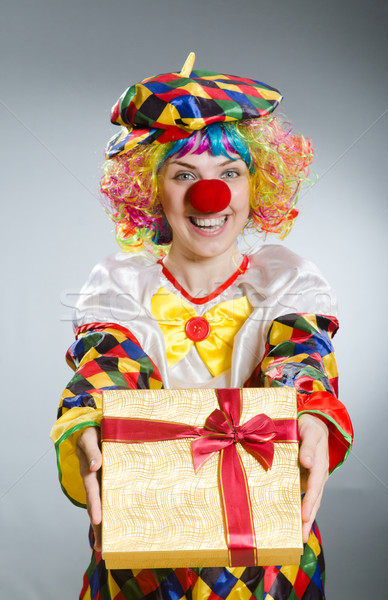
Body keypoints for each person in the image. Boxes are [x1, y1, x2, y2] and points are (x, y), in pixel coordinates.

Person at [51, 53, 353, 600]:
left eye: (229, 173)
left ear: (256, 185)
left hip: (265, 553)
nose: (207, 195)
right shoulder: (121, 287)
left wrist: (310, 409)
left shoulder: (285, 285)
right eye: (184, 174)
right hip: (147, 548)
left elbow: (301, 356)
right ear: (151, 189)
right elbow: (108, 362)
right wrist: (90, 414)